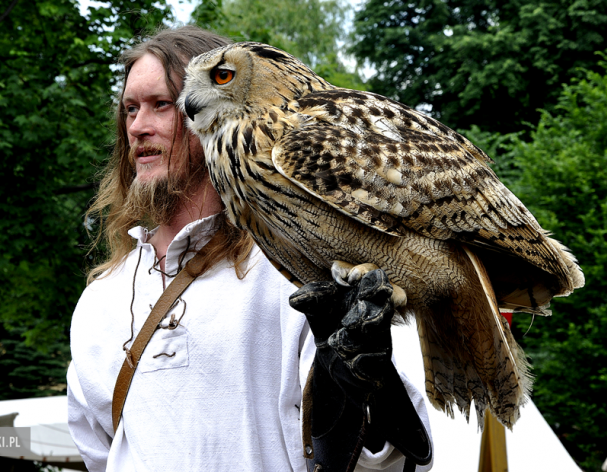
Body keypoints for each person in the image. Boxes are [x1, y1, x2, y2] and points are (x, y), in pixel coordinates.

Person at [66, 25, 433, 471]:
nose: (138, 127)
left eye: (162, 105)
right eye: (129, 109)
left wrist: (355, 400)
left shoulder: (297, 268)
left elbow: (396, 459)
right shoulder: (102, 297)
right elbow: (101, 456)